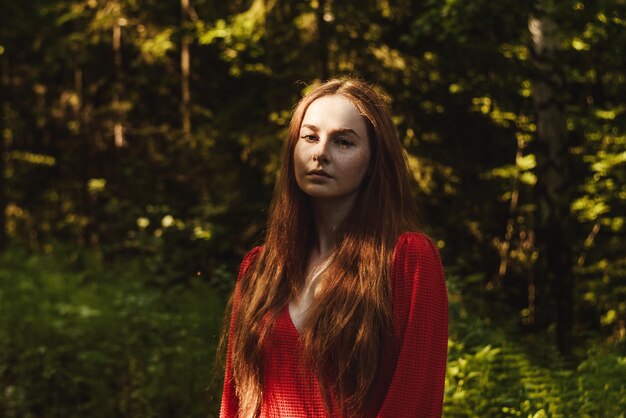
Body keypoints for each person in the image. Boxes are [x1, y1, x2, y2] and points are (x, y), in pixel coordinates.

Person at [219, 78, 448, 418]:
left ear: (373, 161)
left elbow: (412, 403)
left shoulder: (408, 259)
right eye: (309, 137)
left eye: (343, 142)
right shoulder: (259, 269)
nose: (320, 153)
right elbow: (236, 402)